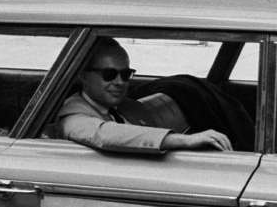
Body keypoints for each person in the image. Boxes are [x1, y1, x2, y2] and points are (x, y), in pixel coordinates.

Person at [56, 38, 232, 153]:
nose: (119, 82)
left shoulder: (128, 107)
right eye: (109, 74)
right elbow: (104, 134)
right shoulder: (72, 115)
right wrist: (185, 141)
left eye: (125, 74)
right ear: (83, 76)